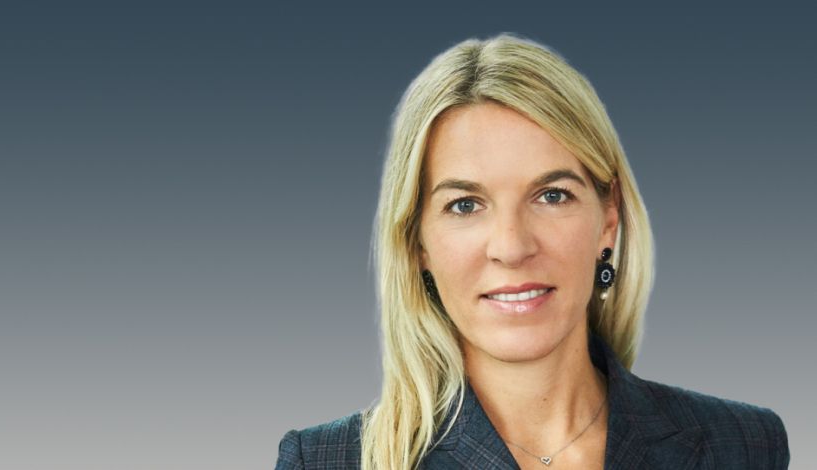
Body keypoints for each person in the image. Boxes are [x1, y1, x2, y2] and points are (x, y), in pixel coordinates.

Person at [274, 32, 790, 469]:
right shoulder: (325, 461)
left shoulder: (743, 446)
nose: (512, 247)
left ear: (608, 220)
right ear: (418, 243)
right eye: (465, 205)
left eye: (552, 196)